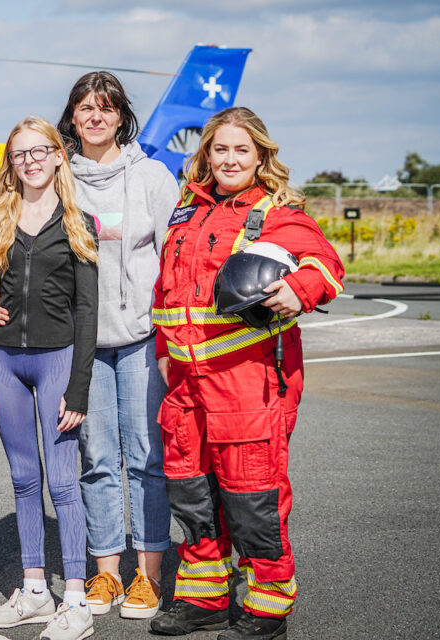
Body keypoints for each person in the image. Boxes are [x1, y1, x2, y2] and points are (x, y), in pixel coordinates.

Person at [0, 71, 179, 620]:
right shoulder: (62, 174)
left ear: (121, 116)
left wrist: (169, 335)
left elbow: (175, 260)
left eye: (106, 108)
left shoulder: (154, 179)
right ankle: (105, 572)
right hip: (76, 346)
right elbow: (25, 247)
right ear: (71, 116)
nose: (95, 117)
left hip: (139, 338)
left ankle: (147, 575)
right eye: (84, 108)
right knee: (94, 459)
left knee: (144, 458)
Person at [148, 106, 344, 639]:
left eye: (242, 150)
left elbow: (326, 265)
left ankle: (267, 606)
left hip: (249, 382)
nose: (230, 159)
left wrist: (297, 290)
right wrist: (166, 351)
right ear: (206, 154)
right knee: (191, 493)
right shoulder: (186, 210)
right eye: (221, 149)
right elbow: (170, 292)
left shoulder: (276, 214)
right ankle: (203, 596)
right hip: (186, 382)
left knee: (252, 496)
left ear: (260, 156)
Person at [0, 116, 98, 640]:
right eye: (20, 154)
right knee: (24, 479)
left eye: (40, 151)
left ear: (57, 156)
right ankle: (35, 590)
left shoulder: (76, 220)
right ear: (10, 163)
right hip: (5, 362)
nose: (31, 161)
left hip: (57, 362)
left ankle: (76, 600)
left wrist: (81, 385)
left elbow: (87, 310)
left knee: (64, 482)